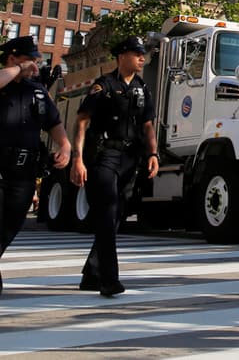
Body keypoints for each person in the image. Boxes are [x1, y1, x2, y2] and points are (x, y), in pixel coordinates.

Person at [0, 36, 71, 322]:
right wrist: (19, 69)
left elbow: (54, 123)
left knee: (4, 233)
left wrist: (65, 145)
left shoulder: (37, 92)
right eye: (31, 59)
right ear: (13, 58)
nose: (36, 66)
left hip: (21, 173)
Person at [70, 35, 159, 297]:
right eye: (136, 53)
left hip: (130, 159)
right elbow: (82, 120)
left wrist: (152, 153)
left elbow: (148, 124)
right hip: (105, 155)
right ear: (122, 57)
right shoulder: (103, 86)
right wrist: (78, 158)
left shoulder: (142, 88)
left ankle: (92, 273)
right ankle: (109, 280)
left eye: (143, 53)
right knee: (107, 213)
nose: (142, 58)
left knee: (117, 214)